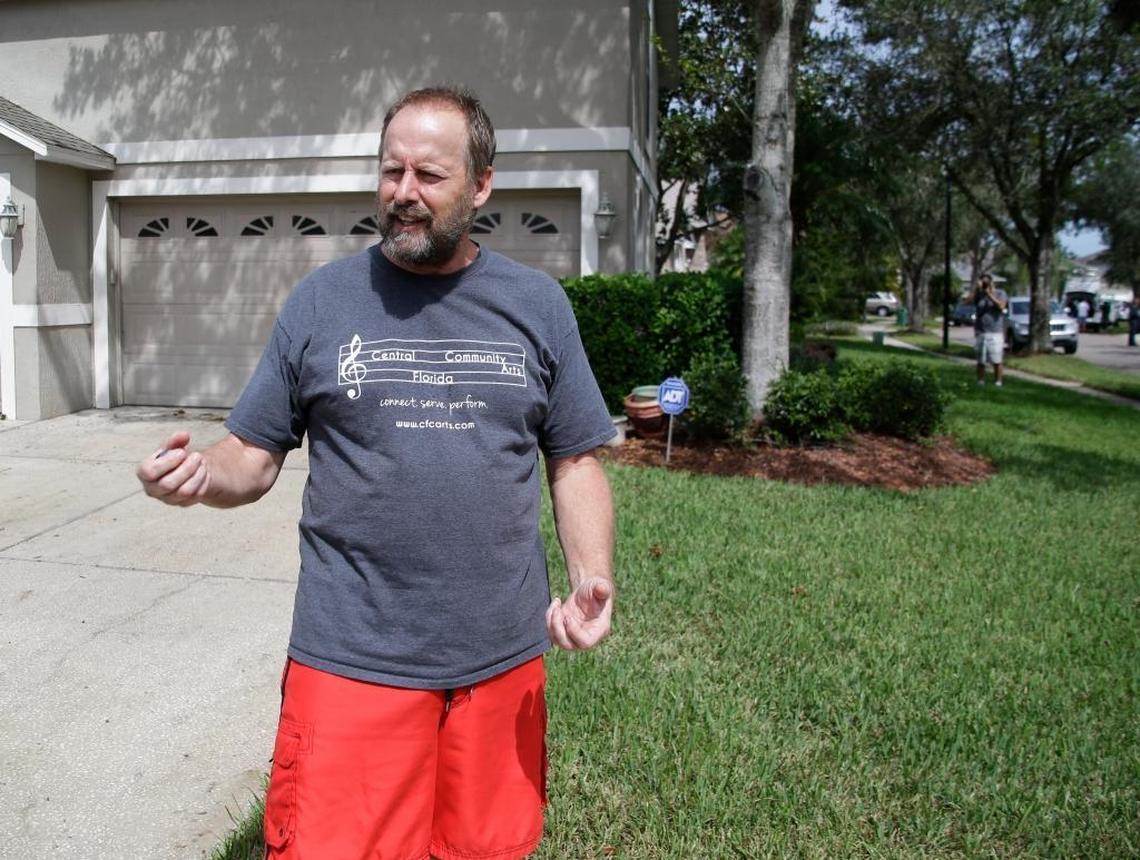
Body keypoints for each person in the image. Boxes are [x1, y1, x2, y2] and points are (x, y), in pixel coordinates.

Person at [135, 86, 617, 860]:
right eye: (391, 172)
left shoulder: (538, 305)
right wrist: (201, 475)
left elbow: (575, 457)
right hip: (354, 656)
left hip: (501, 657)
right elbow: (252, 455)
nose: (403, 194)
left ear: (481, 185)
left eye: (429, 175)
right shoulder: (323, 301)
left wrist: (592, 576)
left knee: (488, 849)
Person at [967, 274, 1008, 386]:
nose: (985, 284)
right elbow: (967, 302)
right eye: (982, 282)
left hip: (995, 332)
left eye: (986, 282)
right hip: (981, 331)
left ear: (991, 282)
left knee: (996, 359)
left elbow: (1001, 306)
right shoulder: (979, 295)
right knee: (981, 360)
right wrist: (976, 290)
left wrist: (989, 294)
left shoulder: (1000, 293)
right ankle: (980, 381)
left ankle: (998, 382)